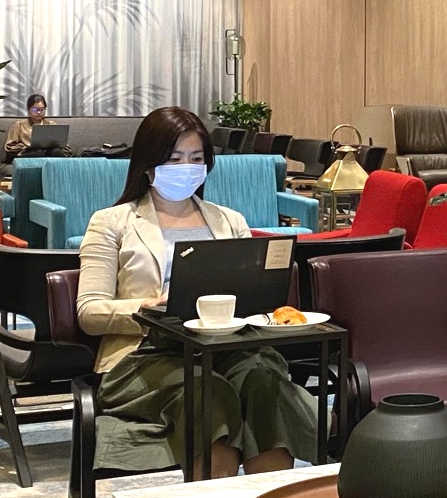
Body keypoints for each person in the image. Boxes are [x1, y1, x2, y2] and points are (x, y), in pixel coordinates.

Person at [75, 106, 318, 477]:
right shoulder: (111, 223)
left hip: (225, 348)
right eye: (174, 159)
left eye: (196, 158)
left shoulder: (230, 221)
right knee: (209, 392)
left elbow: (252, 296)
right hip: (144, 357)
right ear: (148, 164)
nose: (186, 167)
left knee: (264, 382)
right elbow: (89, 312)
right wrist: (149, 307)